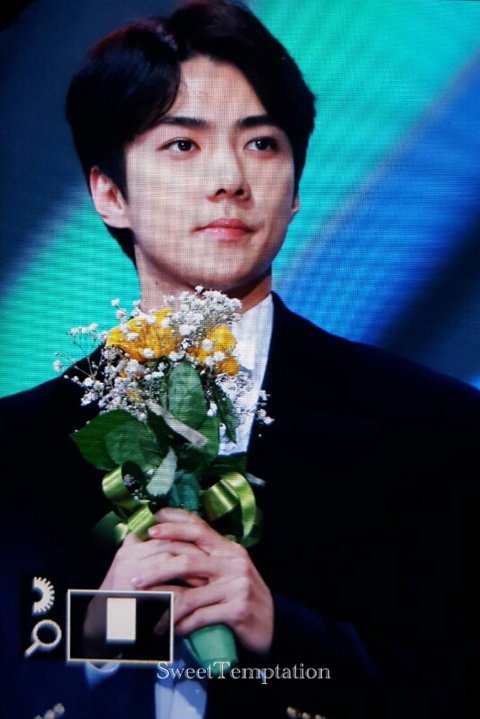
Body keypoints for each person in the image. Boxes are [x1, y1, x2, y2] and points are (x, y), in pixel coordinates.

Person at [0, 2, 477, 718]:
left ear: (295, 189)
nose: (229, 177)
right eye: (182, 145)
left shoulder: (434, 428)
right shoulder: (14, 449)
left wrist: (283, 630)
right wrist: (106, 628)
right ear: (110, 192)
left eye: (260, 143)